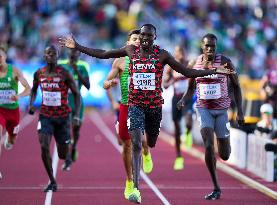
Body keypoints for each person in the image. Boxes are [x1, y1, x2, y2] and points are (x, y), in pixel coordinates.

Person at [59, 24, 233, 203]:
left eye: (148, 36)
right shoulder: (130, 51)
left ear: (154, 38)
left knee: (149, 141)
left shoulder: (162, 54)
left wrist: (213, 70)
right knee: (135, 144)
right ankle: (135, 188)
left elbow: (187, 71)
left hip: (154, 108)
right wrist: (77, 46)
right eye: (142, 35)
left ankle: (147, 150)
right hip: (135, 105)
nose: (144, 39)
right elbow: (104, 53)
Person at [177, 33, 244, 200]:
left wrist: (240, 111)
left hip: (222, 111)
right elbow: (191, 88)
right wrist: (184, 100)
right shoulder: (195, 63)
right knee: (208, 144)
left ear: (216, 47)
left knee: (225, 154)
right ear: (202, 46)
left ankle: (224, 145)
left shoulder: (225, 62)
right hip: (203, 109)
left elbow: (236, 86)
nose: (210, 50)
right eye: (207, 46)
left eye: (213, 47)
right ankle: (216, 187)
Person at [103, 29, 153, 200]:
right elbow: (105, 83)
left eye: (140, 39)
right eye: (134, 39)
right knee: (126, 144)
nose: (138, 41)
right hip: (125, 106)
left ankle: (146, 153)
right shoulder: (120, 62)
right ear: (128, 42)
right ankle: (129, 181)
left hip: (142, 106)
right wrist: (110, 83)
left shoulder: (148, 60)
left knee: (142, 140)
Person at [28, 45, 80, 192]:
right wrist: (31, 104)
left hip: (63, 117)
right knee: (44, 146)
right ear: (44, 56)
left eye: (54, 53)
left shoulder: (64, 74)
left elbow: (77, 94)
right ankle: (52, 180)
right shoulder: (39, 73)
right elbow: (33, 90)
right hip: (45, 116)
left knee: (62, 154)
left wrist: (76, 115)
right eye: (48, 53)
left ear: (57, 56)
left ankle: (68, 155)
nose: (51, 56)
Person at [0, 47, 31, 179]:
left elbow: (28, 88)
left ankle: (10, 138)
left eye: (0, 56)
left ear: (5, 57)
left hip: (13, 111)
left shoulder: (14, 71)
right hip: (0, 110)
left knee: (11, 140)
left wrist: (19, 96)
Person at [58, 49, 90, 170]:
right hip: (63, 101)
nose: (73, 55)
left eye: (76, 53)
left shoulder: (82, 67)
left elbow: (88, 86)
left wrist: (76, 70)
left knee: (75, 129)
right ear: (68, 54)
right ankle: (67, 159)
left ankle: (74, 146)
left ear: (79, 55)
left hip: (77, 102)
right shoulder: (61, 66)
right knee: (65, 130)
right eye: (71, 52)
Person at [163, 45, 193, 171]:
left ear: (184, 53)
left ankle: (187, 132)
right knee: (176, 127)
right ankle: (179, 157)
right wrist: (171, 82)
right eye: (176, 52)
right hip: (176, 98)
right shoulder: (171, 66)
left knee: (188, 119)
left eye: (181, 51)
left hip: (188, 98)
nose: (179, 54)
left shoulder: (189, 64)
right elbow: (164, 84)